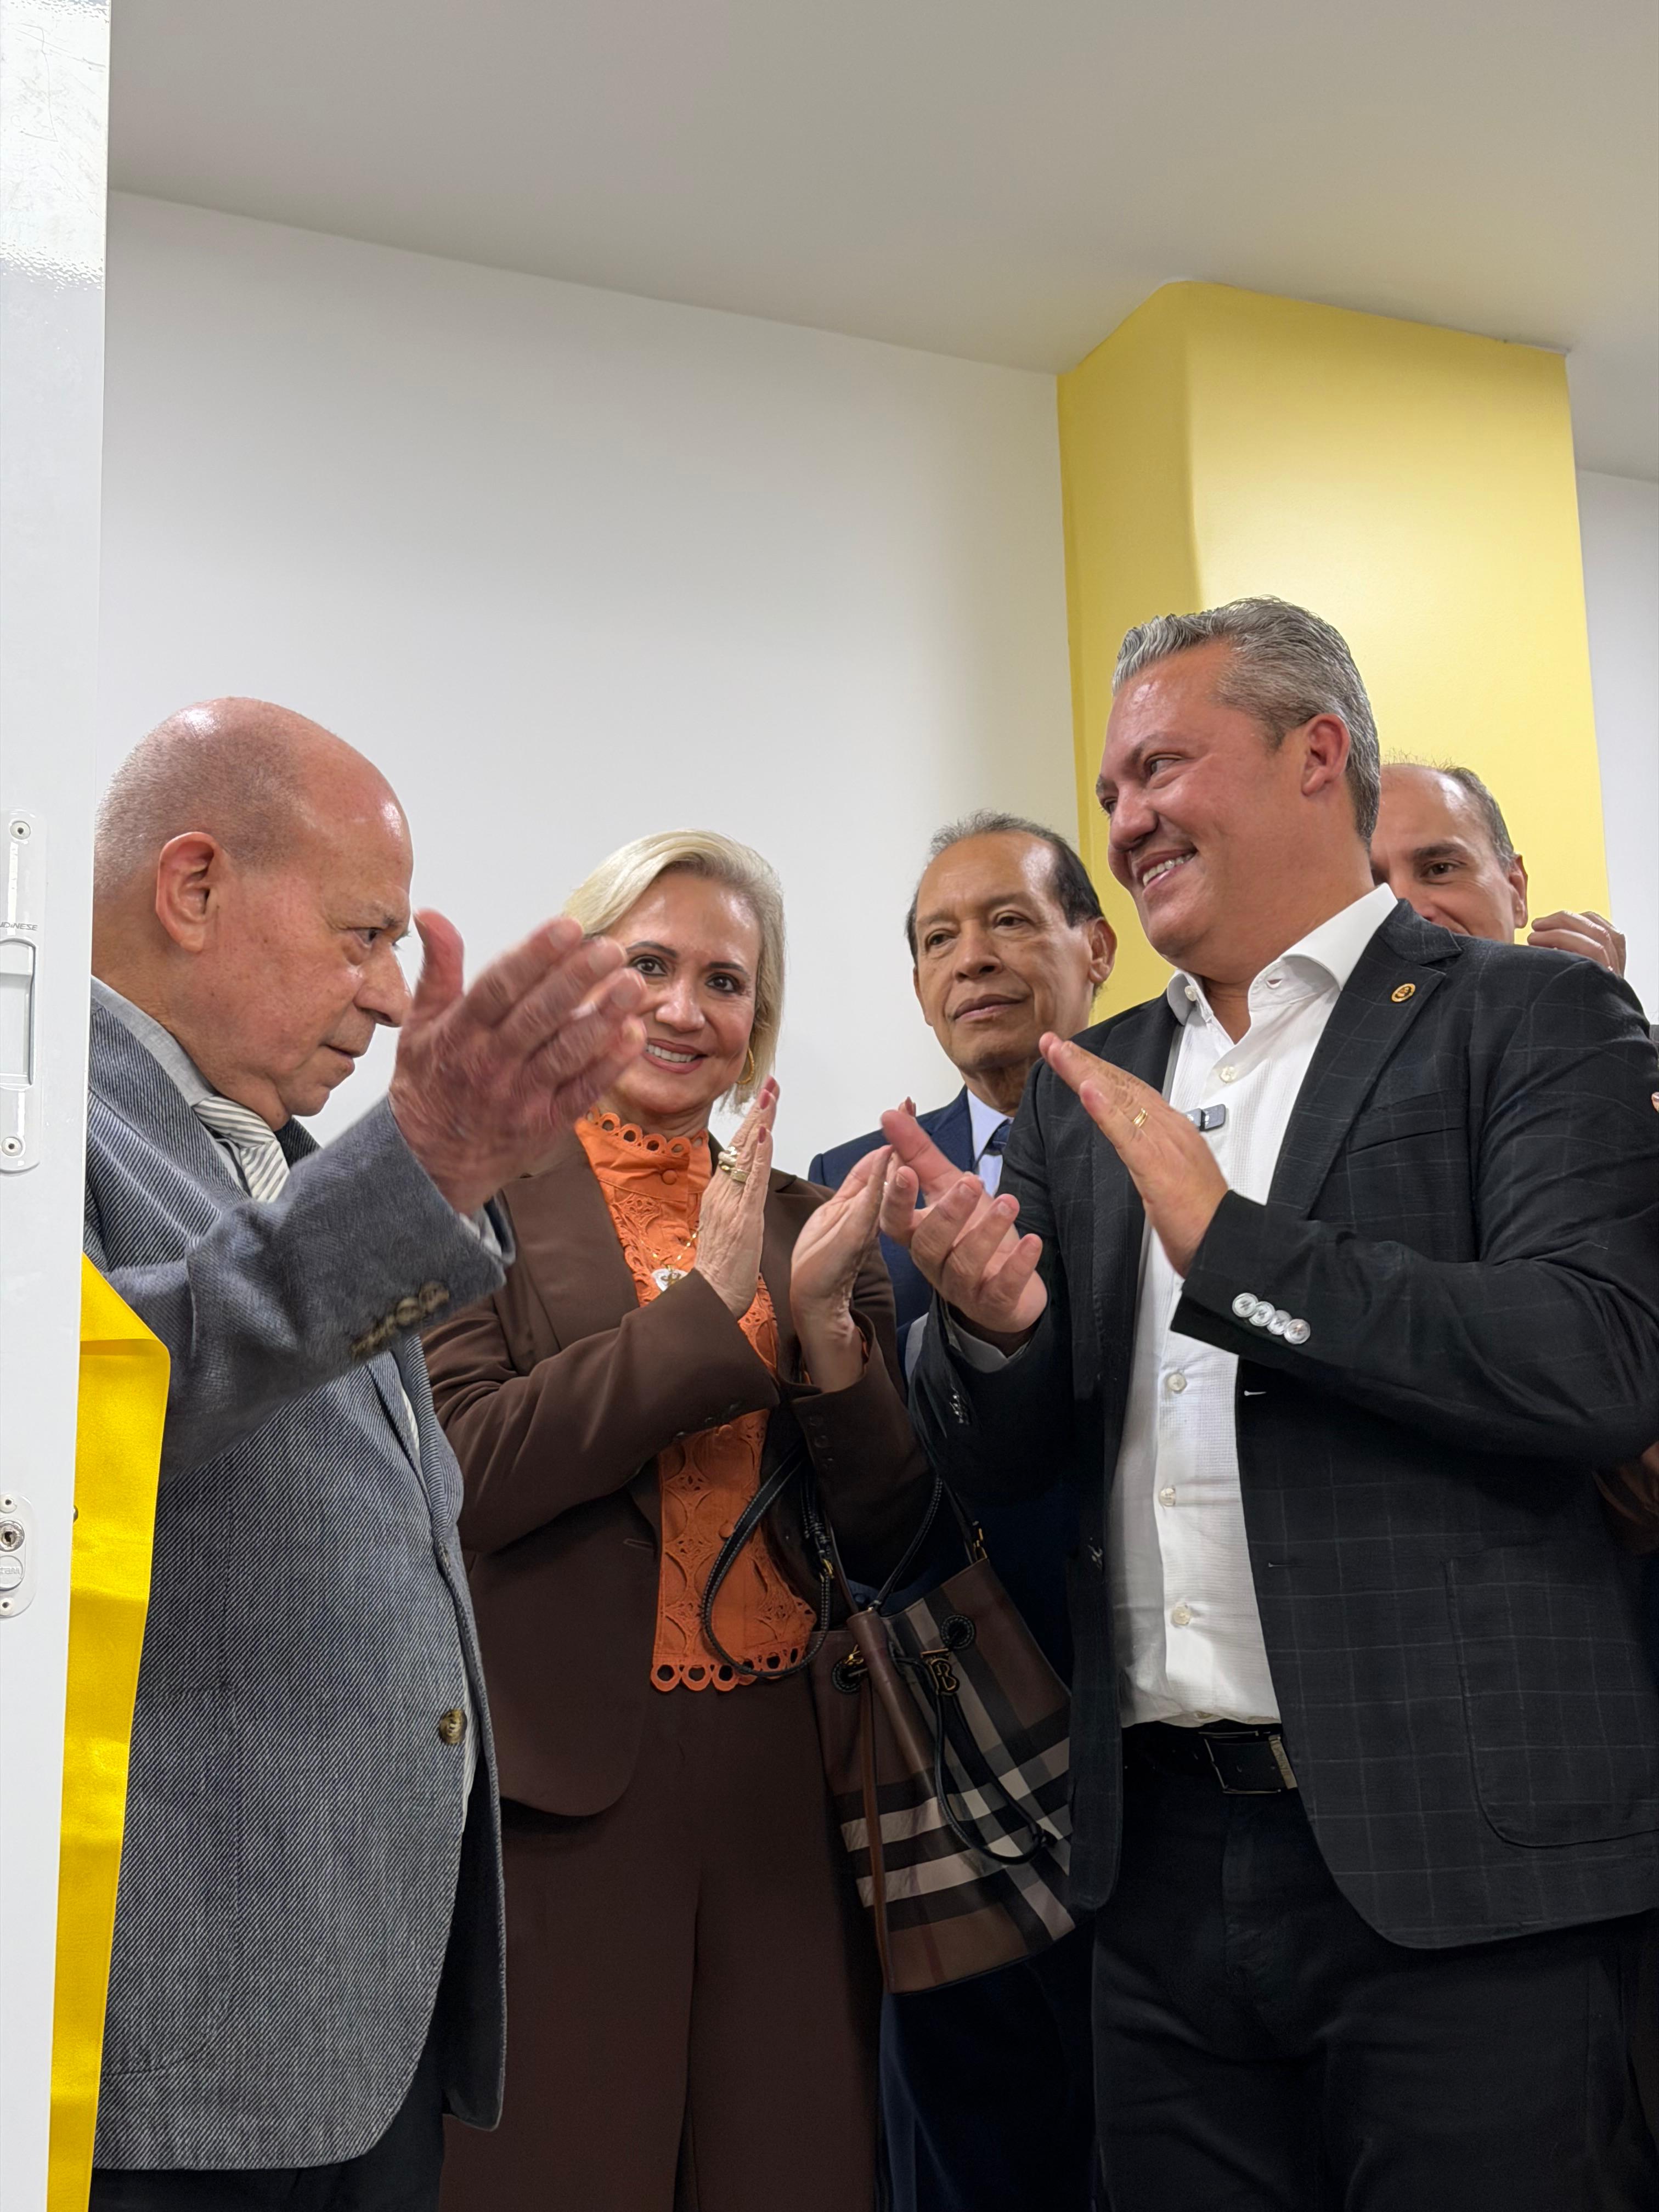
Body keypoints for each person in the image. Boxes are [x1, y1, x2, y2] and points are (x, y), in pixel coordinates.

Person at [885, 599, 1659, 2210]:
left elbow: (1592, 1357)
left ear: (1318, 756)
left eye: (1163, 767)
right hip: (1159, 1880)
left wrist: (1231, 1248)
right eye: (1113, 789)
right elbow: (1007, 1462)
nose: (1127, 819)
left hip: (1464, 1873)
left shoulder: (1528, 1020)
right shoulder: (1091, 1079)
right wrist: (986, 1331)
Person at [83, 699, 646, 2210]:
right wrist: (429, 1164)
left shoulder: (287, 1157)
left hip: (355, 2023)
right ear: (194, 886)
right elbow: (96, 1406)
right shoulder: (36, 1116)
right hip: (173, 2060)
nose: (394, 996)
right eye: (364, 936)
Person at [423, 830, 932, 2212]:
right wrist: (703, 1319)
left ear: (755, 1023)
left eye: (724, 981)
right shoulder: (472, 1198)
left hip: (793, 1785)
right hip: (561, 1790)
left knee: (798, 2174)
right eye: (647, 963)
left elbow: (887, 1523)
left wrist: (827, 1339)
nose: (684, 1007)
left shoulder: (812, 1224)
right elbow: (469, 1471)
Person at [808, 810, 1114, 2212]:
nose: (971, 958)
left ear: (1095, 949)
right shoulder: (845, 1190)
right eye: (938, 938)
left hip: (1147, 1730)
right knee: (966, 2136)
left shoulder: (1176, 1143)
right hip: (943, 1733)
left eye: (1008, 922)